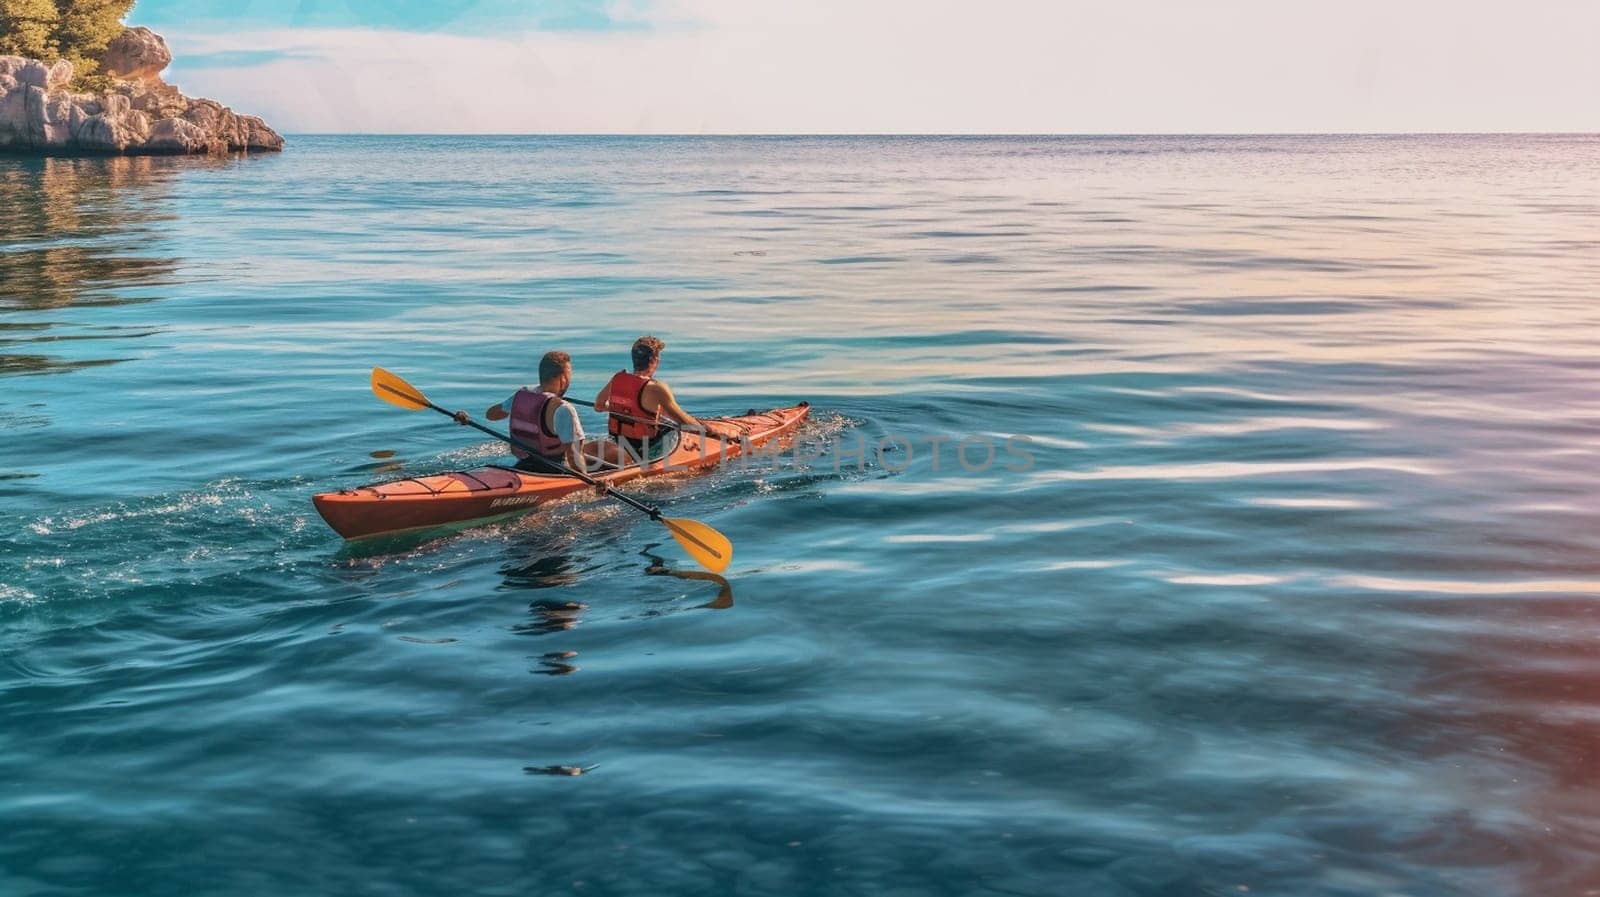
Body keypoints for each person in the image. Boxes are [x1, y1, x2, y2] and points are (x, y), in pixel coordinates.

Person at [593, 336, 730, 465]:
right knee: (677, 429)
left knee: (665, 421)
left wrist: (625, 410)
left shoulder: (618, 378)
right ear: (654, 360)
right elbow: (686, 423)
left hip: (621, 441)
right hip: (647, 449)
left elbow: (599, 406)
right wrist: (714, 432)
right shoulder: (656, 388)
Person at [454, 351, 587, 474]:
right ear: (562, 380)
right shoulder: (564, 409)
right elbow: (574, 456)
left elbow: (491, 415)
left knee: (594, 449)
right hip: (554, 470)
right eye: (569, 376)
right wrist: (592, 487)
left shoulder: (522, 396)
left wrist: (468, 420)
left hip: (524, 465)